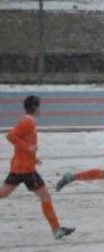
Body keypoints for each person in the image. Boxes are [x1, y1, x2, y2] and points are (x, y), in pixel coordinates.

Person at [0, 95, 75, 239]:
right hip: (26, 169)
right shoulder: (27, 122)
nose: (41, 109)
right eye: (39, 106)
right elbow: (10, 136)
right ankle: (56, 230)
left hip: (21, 166)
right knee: (45, 196)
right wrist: (28, 148)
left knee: (4, 193)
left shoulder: (29, 122)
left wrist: (34, 157)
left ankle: (56, 230)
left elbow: (23, 142)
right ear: (35, 107)